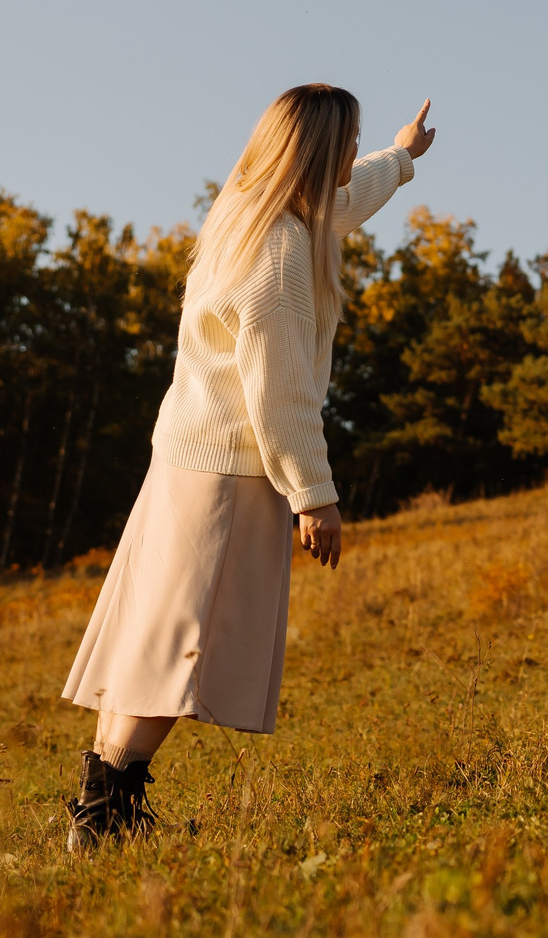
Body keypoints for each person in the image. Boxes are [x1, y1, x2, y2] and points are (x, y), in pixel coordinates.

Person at [58, 85, 435, 850]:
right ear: (319, 153)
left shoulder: (248, 208)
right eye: (349, 142)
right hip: (230, 473)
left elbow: (345, 197)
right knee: (183, 646)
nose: (350, 159)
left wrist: (400, 157)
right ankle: (106, 812)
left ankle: (104, 797)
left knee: (154, 636)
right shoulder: (283, 250)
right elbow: (281, 390)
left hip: (183, 459)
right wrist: (314, 496)